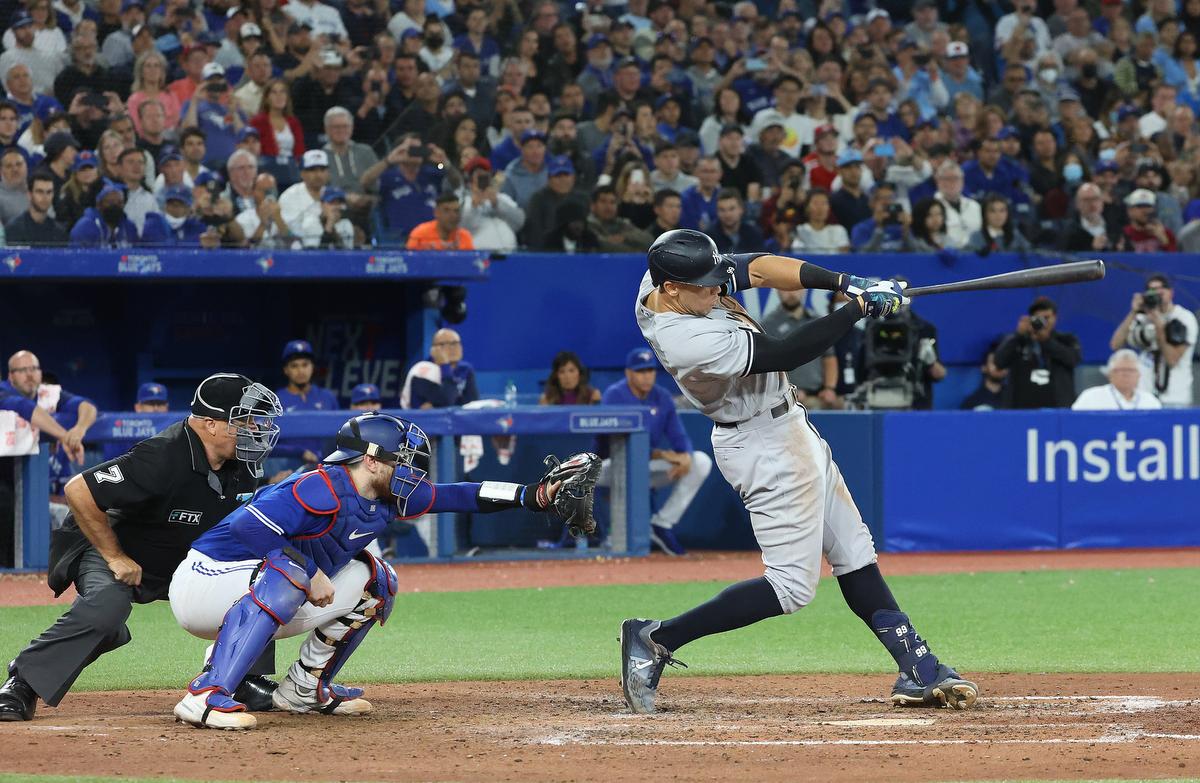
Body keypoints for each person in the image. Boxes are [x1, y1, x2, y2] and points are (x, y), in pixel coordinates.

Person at [619, 230, 976, 714]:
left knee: (854, 551)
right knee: (791, 587)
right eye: (706, 285)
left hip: (788, 425)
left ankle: (919, 667)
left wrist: (846, 282)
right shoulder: (686, 341)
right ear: (673, 289)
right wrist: (857, 309)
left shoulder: (664, 281)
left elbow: (758, 267)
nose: (718, 289)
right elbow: (785, 352)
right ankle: (658, 637)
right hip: (761, 443)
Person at [167, 412, 596, 728]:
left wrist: (533, 495)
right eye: (401, 460)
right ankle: (205, 694)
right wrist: (307, 570)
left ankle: (303, 689)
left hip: (260, 588)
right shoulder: (317, 486)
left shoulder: (388, 494)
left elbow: (460, 495)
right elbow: (245, 528)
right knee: (293, 573)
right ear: (370, 460)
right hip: (204, 583)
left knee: (377, 581)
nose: (411, 471)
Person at [0, 374, 283, 722]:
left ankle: (241, 678)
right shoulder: (162, 455)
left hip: (182, 559)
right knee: (106, 611)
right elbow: (78, 490)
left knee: (260, 581)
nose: (255, 429)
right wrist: (115, 556)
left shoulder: (244, 465)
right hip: (116, 549)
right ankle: (23, 683)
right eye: (244, 421)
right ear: (211, 424)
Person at [596, 347, 714, 556]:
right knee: (618, 468)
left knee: (701, 462)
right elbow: (614, 444)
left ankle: (662, 524)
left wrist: (685, 455)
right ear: (628, 373)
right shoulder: (615, 395)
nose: (647, 376)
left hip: (646, 468)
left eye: (650, 370)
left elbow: (678, 435)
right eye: (640, 371)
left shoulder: (662, 397)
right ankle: (613, 535)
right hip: (611, 467)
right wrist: (661, 454)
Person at [1108, 274, 1197, 408]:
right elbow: (1115, 344)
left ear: (1171, 293)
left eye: (1160, 291)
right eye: (1152, 291)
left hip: (1174, 396)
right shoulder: (1143, 317)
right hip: (1144, 395)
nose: (1156, 295)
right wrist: (1133, 312)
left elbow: (1172, 360)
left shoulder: (1183, 318)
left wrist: (1158, 323)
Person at [993, 297, 1082, 409]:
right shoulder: (1019, 341)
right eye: (1039, 318)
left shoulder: (1066, 339)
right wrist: (1017, 335)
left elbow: (1074, 359)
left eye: (1047, 318)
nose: (1043, 322)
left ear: (1055, 318)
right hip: (1021, 410)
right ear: (1031, 319)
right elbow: (999, 362)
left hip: (1057, 410)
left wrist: (1046, 341)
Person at [761, 290, 839, 409]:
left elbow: (829, 357)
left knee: (840, 404)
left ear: (804, 290)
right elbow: (765, 367)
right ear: (777, 290)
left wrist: (829, 388)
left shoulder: (817, 321)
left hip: (818, 396)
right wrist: (787, 392)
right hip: (781, 400)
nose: (791, 293)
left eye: (796, 288)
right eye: (786, 288)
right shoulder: (767, 325)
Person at [274, 339, 339, 469]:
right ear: (286, 370)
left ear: (312, 367)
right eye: (294, 366)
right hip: (289, 469)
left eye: (305, 365)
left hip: (326, 467)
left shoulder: (327, 397)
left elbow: (340, 437)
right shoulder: (275, 400)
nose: (301, 371)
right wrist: (299, 452)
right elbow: (267, 444)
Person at [401, 328, 479, 409]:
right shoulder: (422, 371)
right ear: (433, 349)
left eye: (456, 343)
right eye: (444, 344)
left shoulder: (465, 369)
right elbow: (447, 399)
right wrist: (445, 365)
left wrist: (436, 404)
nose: (453, 348)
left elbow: (472, 403)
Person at [100, 381, 171, 460]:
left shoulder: (174, 429)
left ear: (167, 407)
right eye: (150, 403)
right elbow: (111, 461)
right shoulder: (124, 427)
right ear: (138, 407)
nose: (156, 408)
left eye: (160, 404)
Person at [1072, 349, 1164, 410]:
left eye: (1131, 370)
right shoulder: (1091, 397)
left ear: (1139, 375)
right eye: (1121, 370)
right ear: (1110, 374)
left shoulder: (1150, 401)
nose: (1126, 374)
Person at [4, 172, 68, 246]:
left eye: (49, 192)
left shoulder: (60, 232)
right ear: (29, 195)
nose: (45, 197)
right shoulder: (14, 229)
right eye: (40, 192)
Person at [407, 192, 475, 250]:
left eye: (456, 211)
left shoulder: (464, 237)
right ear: (436, 213)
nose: (453, 216)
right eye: (446, 211)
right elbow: (408, 259)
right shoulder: (420, 235)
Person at [968, 194, 1033, 254]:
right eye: (993, 211)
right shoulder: (976, 237)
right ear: (984, 214)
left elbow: (1031, 253)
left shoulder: (1015, 235)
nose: (998, 215)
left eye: (1002, 211)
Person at [959, 342, 1009, 411]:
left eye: (1002, 362)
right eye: (994, 362)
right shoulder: (972, 402)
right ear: (983, 368)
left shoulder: (1014, 399)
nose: (999, 366)